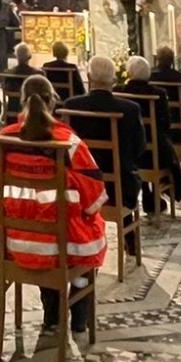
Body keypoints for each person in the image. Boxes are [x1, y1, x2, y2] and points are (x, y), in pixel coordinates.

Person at [0, 75, 105, 333]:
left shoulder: (1, 142)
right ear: (53, 102)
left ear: (21, 102)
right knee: (92, 228)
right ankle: (79, 312)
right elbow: (94, 199)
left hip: (14, 241)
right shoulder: (68, 142)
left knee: (42, 232)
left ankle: (52, 313)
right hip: (59, 245)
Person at [60, 55, 144, 247]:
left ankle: (83, 246)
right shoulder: (130, 109)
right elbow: (139, 148)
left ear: (89, 77)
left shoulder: (71, 106)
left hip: (79, 188)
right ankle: (130, 241)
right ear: (114, 79)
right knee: (125, 172)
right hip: (119, 188)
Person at [121, 54, 181, 209]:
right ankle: (157, 192)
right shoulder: (158, 93)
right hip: (155, 152)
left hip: (127, 154)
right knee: (161, 145)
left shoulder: (119, 91)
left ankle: (147, 192)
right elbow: (166, 124)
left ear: (129, 73)